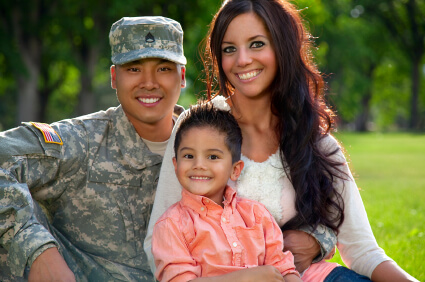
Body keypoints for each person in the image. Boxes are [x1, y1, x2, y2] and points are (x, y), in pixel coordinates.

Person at [145, 1, 418, 281]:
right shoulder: (199, 129)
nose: (242, 60)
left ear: (282, 47)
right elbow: (160, 240)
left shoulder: (314, 140)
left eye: (256, 44)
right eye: (229, 49)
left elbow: (363, 250)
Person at [0, 16, 186, 281]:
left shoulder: (209, 140)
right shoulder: (84, 141)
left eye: (164, 69)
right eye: (134, 68)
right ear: (114, 77)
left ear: (182, 77)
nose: (149, 82)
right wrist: (37, 250)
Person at [152, 103, 301, 282]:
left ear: (235, 170)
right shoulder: (172, 225)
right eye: (189, 156)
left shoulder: (257, 216)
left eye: (213, 157)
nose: (199, 165)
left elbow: (284, 268)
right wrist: (246, 277)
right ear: (176, 166)